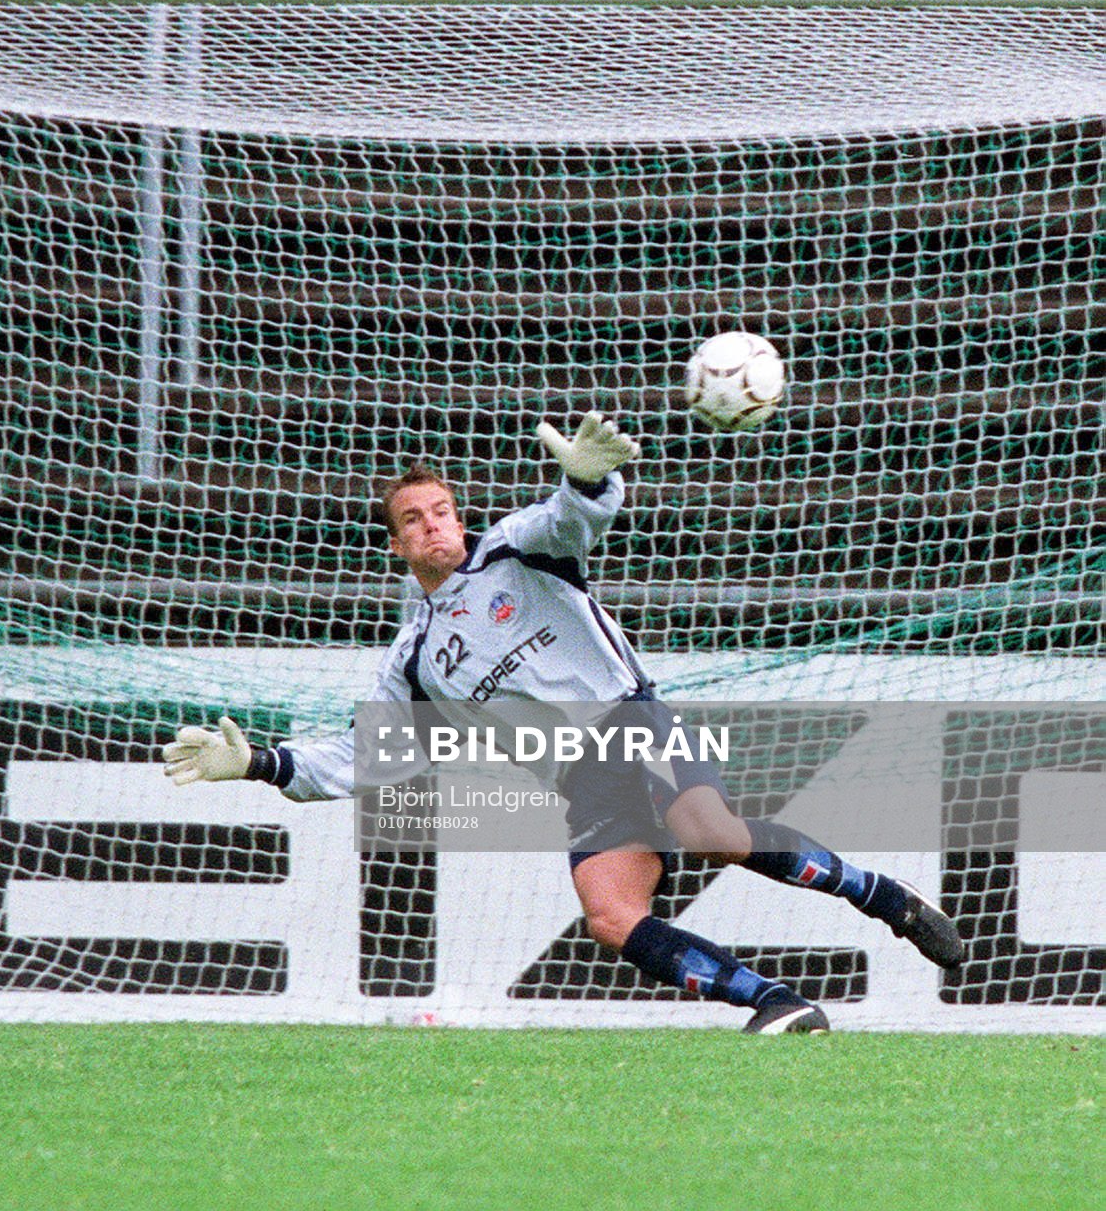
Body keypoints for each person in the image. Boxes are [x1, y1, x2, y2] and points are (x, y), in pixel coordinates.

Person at [162, 412, 964, 1034]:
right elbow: (362, 754)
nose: (435, 526)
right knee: (612, 918)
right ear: (396, 542)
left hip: (630, 719)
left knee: (710, 830)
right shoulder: (413, 659)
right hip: (579, 775)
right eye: (415, 519)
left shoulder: (512, 549)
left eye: (442, 511)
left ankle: (888, 899)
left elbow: (570, 521)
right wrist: (263, 763)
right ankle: (781, 1005)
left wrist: (584, 483)